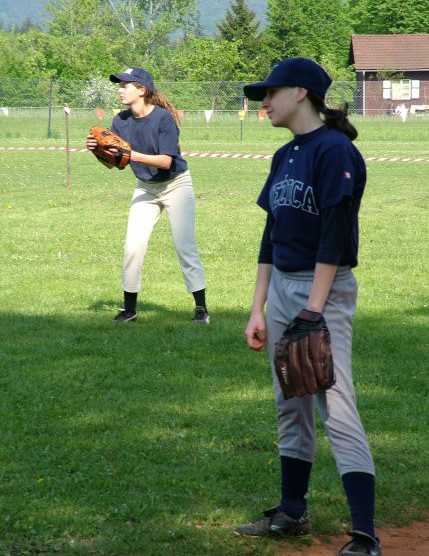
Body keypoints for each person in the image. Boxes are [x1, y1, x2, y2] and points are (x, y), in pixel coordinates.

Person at [234, 58, 381, 556]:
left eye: (270, 93)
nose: (264, 102)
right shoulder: (283, 156)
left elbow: (335, 235)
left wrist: (313, 309)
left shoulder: (335, 150)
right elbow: (270, 236)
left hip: (325, 289)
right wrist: (258, 308)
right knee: (289, 400)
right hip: (282, 293)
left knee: (335, 405)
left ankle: (365, 534)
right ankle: (292, 511)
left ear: (301, 93)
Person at [86, 67, 209, 324]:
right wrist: (98, 152)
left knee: (184, 245)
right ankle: (129, 309)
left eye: (125, 85)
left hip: (175, 184)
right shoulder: (120, 121)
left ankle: (201, 308)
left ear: (141, 90)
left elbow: (165, 161)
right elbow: (115, 163)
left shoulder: (163, 119)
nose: (120, 89)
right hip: (145, 187)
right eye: (119, 85)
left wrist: (130, 155)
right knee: (133, 246)